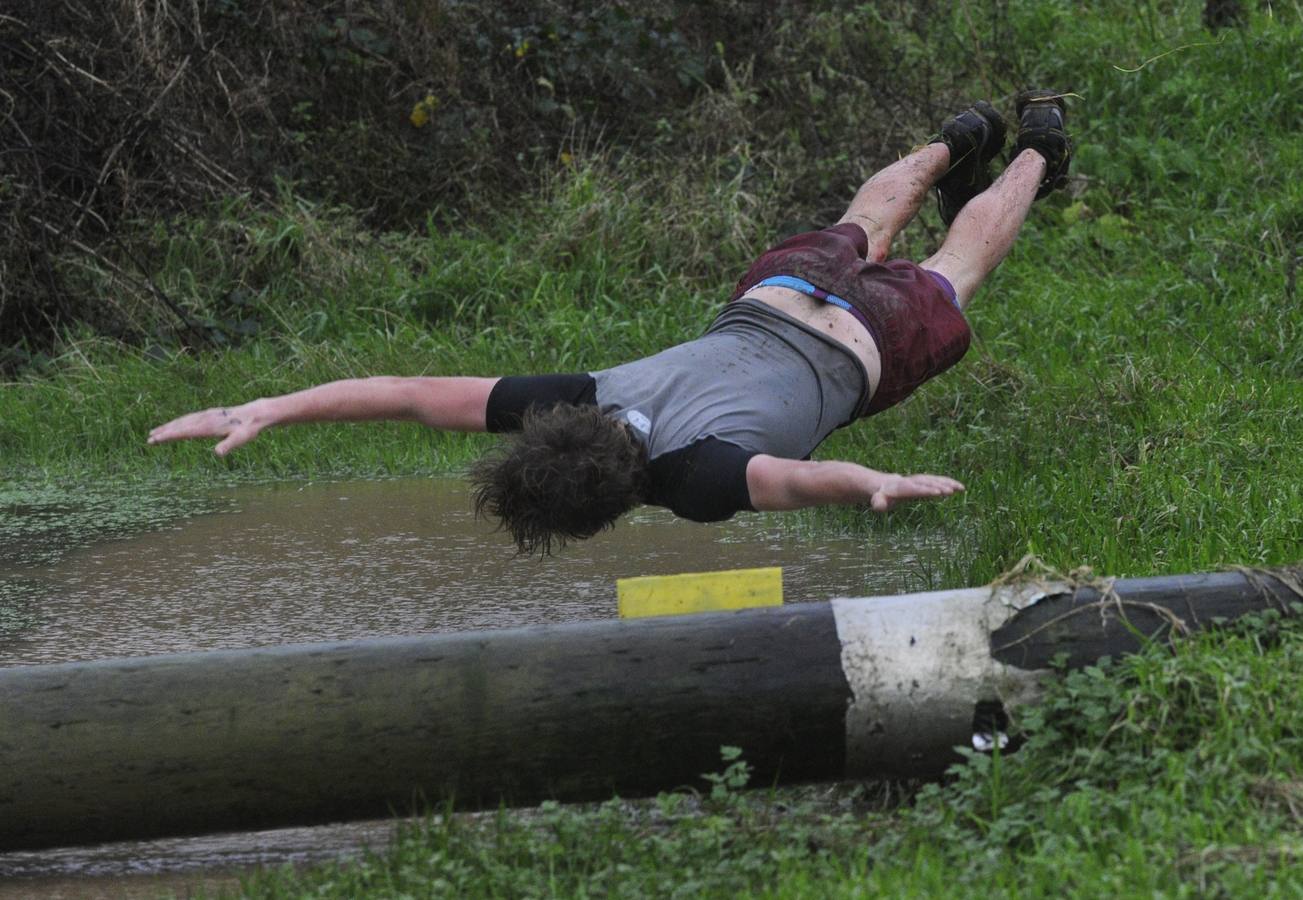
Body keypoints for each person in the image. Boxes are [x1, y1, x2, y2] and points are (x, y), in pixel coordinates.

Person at [149, 91, 1072, 555]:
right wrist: (270, 405)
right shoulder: (576, 397)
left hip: (863, 342)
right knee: (862, 221)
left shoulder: (690, 482)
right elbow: (410, 397)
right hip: (775, 293)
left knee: (954, 269)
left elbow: (798, 479)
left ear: (614, 510)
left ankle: (1035, 151)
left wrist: (871, 483)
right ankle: (960, 136)